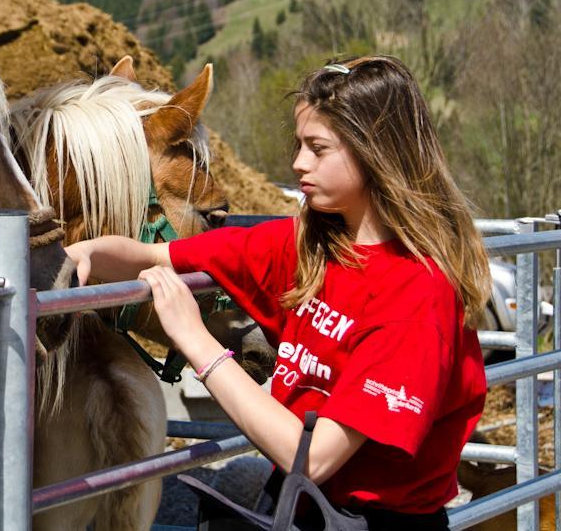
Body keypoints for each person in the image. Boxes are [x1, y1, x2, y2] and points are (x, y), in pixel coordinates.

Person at [65, 56, 489, 529]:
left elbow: (312, 459)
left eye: (318, 148)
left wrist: (197, 343)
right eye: (298, 143)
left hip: (370, 518)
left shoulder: (415, 297)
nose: (297, 162)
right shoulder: (309, 247)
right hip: (298, 503)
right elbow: (154, 255)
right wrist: (82, 253)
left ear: (376, 153)